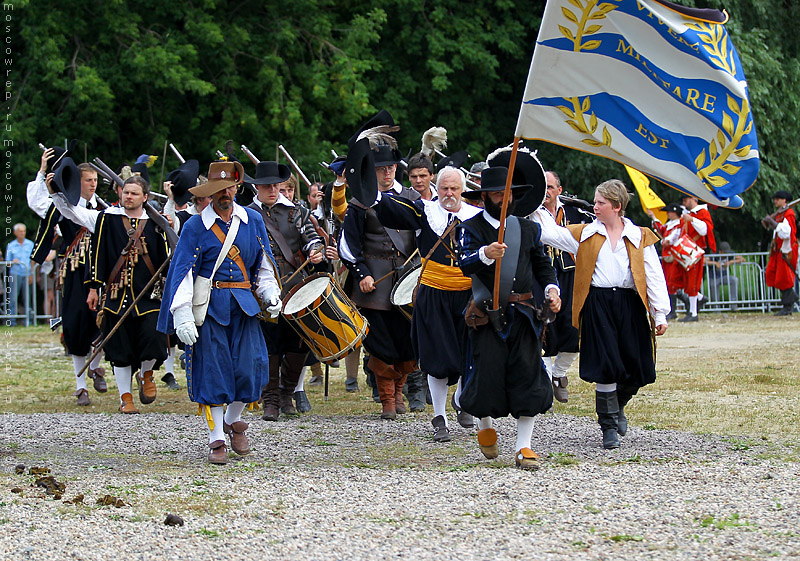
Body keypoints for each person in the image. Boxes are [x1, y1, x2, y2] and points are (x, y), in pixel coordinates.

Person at [158, 161, 281, 464]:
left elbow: (263, 264)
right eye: (217, 189)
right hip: (209, 307)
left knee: (250, 370)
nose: (224, 194)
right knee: (213, 374)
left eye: (229, 188)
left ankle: (232, 419)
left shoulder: (251, 219)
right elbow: (184, 272)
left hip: (244, 306)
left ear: (237, 187)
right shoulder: (194, 226)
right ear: (209, 193)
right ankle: (216, 439)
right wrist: (183, 313)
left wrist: (270, 293)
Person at [538, 179, 670, 449]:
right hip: (598, 303)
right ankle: (608, 425)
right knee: (606, 365)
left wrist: (660, 314)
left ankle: (619, 404)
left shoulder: (639, 235)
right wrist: (531, 209)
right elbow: (549, 233)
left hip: (630, 303)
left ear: (617, 206)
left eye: (601, 203)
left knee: (638, 365)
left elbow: (654, 275)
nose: (595, 206)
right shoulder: (585, 234)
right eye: (596, 201)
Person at [456, 165, 560, 469]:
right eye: (498, 194)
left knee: (527, 377)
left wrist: (552, 290)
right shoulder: (471, 228)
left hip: (525, 315)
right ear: (485, 196)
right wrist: (486, 253)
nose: (504, 199)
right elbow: (465, 263)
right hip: (488, 313)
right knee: (487, 376)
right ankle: (484, 423)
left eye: (508, 193)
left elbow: (544, 267)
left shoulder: (527, 229)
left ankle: (523, 447)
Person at [373, 166, 481, 440]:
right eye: (444, 188)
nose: (448, 193)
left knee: (470, 354)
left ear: (462, 190)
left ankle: (462, 399)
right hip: (433, 294)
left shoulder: (476, 217)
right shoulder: (424, 211)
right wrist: (368, 185)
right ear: (437, 187)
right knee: (436, 357)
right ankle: (440, 417)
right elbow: (388, 209)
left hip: (468, 296)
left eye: (454, 188)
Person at [50, 174, 170, 413]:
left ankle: (147, 374)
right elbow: (74, 215)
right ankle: (125, 398)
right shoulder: (107, 218)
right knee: (119, 350)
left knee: (154, 338)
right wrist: (55, 192)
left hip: (149, 297)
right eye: (126, 192)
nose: (128, 196)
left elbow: (168, 257)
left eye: (134, 193)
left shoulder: (157, 222)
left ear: (145, 197)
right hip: (116, 296)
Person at [340, 141, 420, 420]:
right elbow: (348, 245)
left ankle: (400, 392)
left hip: (409, 280)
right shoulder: (360, 201)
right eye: (380, 169)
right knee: (381, 341)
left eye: (390, 168)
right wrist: (362, 273)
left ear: (397, 168)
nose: (386, 174)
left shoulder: (412, 197)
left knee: (408, 341)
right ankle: (387, 398)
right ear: (372, 171)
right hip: (374, 282)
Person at [247, 161, 325, 421]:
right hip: (260, 285)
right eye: (267, 185)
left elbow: (311, 236)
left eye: (276, 185)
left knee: (298, 342)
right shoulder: (247, 214)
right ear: (257, 187)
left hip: (295, 284)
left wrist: (315, 250)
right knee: (269, 342)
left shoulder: (297, 212)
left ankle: (286, 394)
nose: (272, 189)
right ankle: (269, 400)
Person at [28, 151, 107, 406]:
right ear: (76, 181)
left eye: (95, 180)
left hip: (102, 271)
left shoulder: (104, 208)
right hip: (75, 271)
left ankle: (95, 366)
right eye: (87, 180)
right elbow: (36, 203)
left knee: (105, 322)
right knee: (74, 325)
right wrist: (42, 173)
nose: (92, 184)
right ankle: (80, 386)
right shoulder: (61, 207)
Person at [530, 171, 594, 402]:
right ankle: (546, 385)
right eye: (541, 186)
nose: (545, 191)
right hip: (540, 276)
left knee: (574, 328)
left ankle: (558, 374)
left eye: (549, 186)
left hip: (571, 274)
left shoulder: (577, 211)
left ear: (559, 189)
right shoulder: (528, 212)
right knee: (545, 329)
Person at [675, 193, 715, 321]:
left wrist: (692, 220)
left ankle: (693, 313)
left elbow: (705, 230)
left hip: (695, 251)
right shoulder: (687, 214)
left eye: (686, 199)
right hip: (688, 251)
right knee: (687, 281)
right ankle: (699, 300)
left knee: (693, 281)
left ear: (693, 199)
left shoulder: (702, 212)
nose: (684, 202)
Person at [646, 202, 684, 320]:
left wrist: (666, 240)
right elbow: (660, 229)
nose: (667, 214)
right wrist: (653, 217)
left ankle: (678, 308)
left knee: (672, 282)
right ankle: (681, 306)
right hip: (668, 256)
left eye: (669, 212)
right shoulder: (671, 224)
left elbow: (670, 238)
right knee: (669, 282)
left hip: (674, 256)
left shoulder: (678, 225)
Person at [765, 190, 799, 315]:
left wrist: (772, 223)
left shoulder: (788, 213)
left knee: (784, 278)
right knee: (775, 276)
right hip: (779, 249)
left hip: (787, 250)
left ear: (784, 200)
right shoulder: (781, 214)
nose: (775, 201)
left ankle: (787, 306)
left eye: (778, 199)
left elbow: (785, 233)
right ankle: (790, 299)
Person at [5, 224, 34, 326]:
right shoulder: (11, 245)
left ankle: (28, 321)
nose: (23, 233)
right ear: (15, 233)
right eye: (20, 231)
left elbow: (33, 260)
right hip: (15, 274)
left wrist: (32, 274)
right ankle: (11, 321)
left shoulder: (30, 244)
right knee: (12, 298)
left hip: (27, 273)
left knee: (27, 298)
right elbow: (7, 262)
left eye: (24, 231)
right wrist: (12, 262)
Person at [705, 241, 744, 310]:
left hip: (724, 276)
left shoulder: (729, 254)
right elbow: (703, 260)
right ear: (720, 251)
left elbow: (742, 259)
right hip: (714, 277)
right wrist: (715, 263)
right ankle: (716, 309)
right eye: (725, 253)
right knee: (714, 289)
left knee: (734, 280)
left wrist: (731, 262)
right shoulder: (714, 254)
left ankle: (733, 305)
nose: (727, 254)